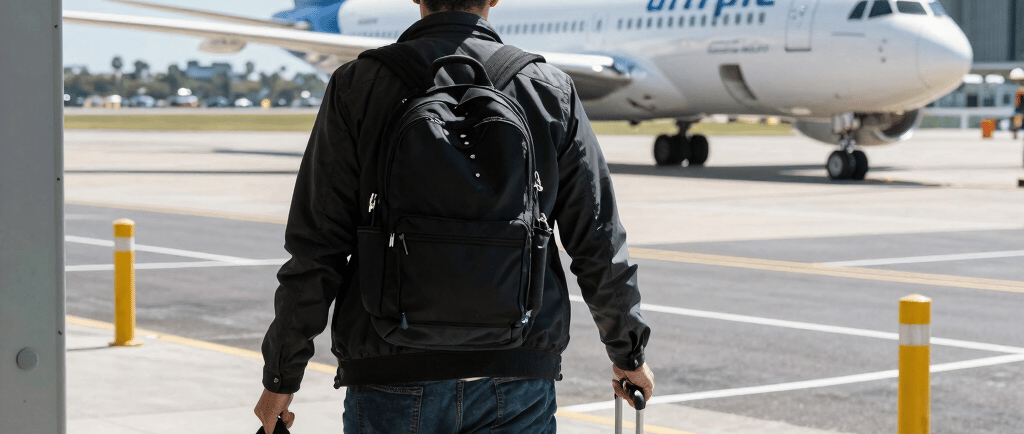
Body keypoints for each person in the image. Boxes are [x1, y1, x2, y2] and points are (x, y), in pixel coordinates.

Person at [254, 0, 654, 432]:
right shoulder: (549, 88)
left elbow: (317, 247)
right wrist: (628, 354)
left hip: (391, 371)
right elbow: (597, 240)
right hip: (516, 370)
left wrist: (281, 375)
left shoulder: (358, 84)